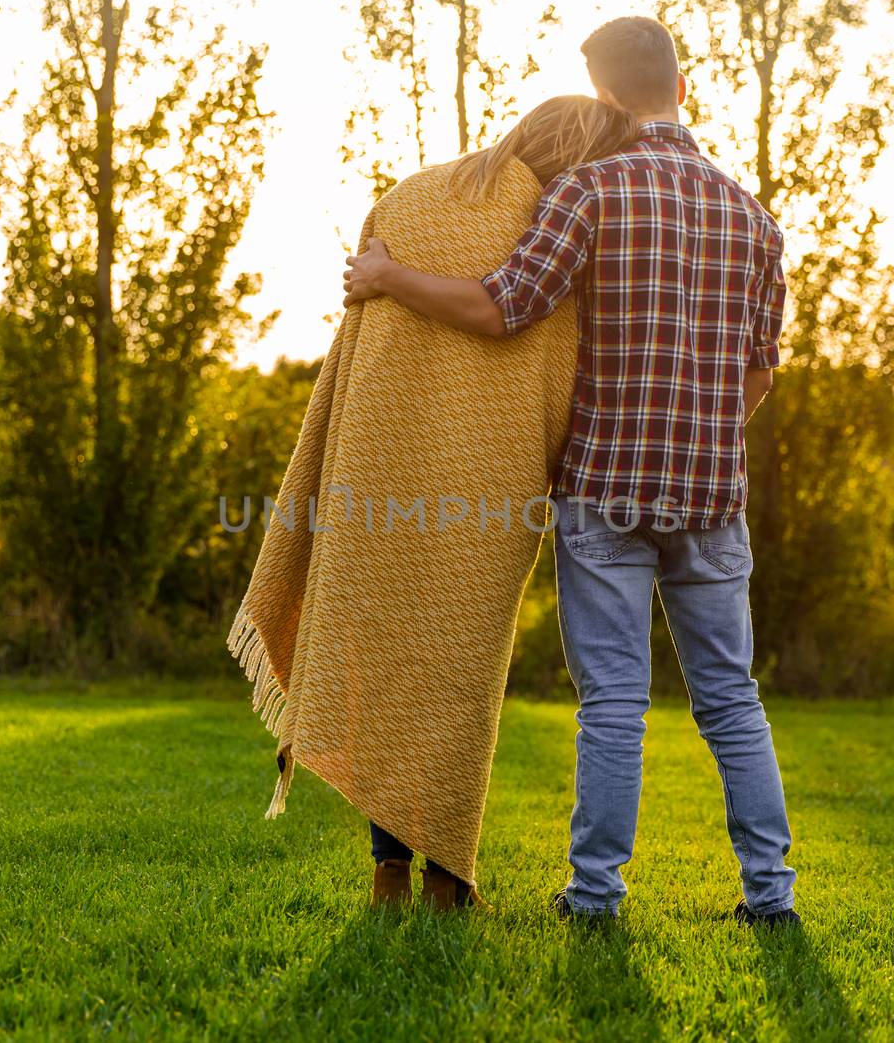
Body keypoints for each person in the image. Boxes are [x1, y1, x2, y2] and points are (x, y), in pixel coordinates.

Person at [342, 16, 801, 926]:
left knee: (615, 705)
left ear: (603, 96)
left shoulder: (591, 191)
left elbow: (501, 307)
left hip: (605, 487)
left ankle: (595, 897)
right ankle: (770, 897)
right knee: (731, 699)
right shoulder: (754, 217)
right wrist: (704, 428)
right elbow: (761, 367)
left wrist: (388, 279)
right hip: (712, 495)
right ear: (682, 86)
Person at [230, 96, 636, 911]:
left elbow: (359, 321)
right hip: (487, 477)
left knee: (384, 659)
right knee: (457, 671)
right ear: (583, 155)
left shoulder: (410, 194)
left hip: (376, 462)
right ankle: (448, 875)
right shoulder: (556, 216)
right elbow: (553, 350)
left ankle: (389, 872)